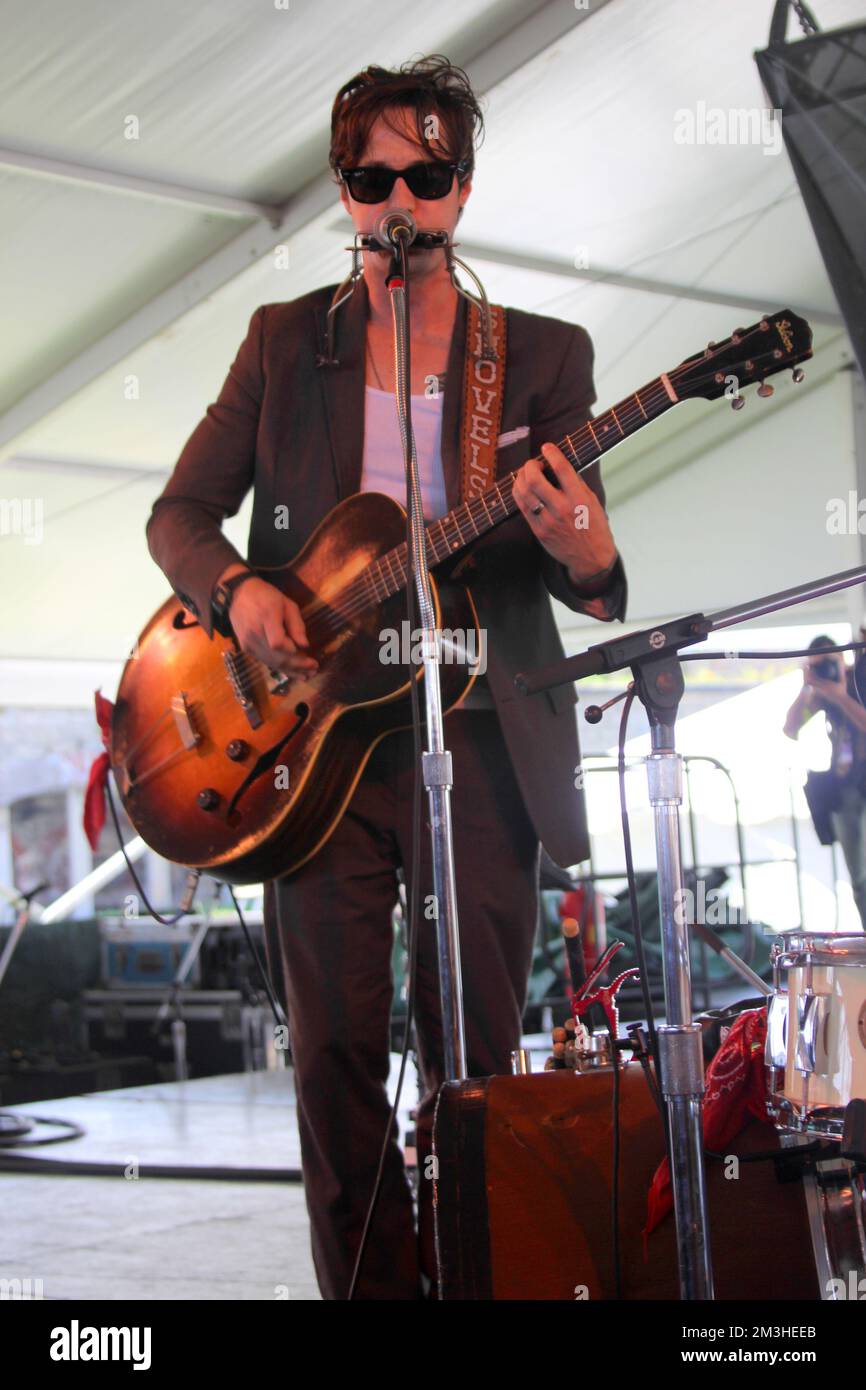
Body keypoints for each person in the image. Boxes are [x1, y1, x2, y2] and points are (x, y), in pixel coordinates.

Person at [146, 56, 626, 1300]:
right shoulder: (279, 342)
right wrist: (239, 592)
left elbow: (583, 576)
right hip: (313, 758)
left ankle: (482, 1280)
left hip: (476, 735)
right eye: (370, 177)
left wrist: (592, 553)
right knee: (336, 1057)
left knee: (473, 1050)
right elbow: (181, 516)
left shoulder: (540, 357)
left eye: (423, 173)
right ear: (342, 191)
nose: (396, 197)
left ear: (460, 191)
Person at [784, 629, 866, 928]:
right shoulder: (822, 692)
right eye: (819, 665)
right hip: (844, 789)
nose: (828, 670)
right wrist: (809, 687)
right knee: (859, 876)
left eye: (830, 663)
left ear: (843, 657)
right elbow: (790, 729)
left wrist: (840, 695)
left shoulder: (859, 680)